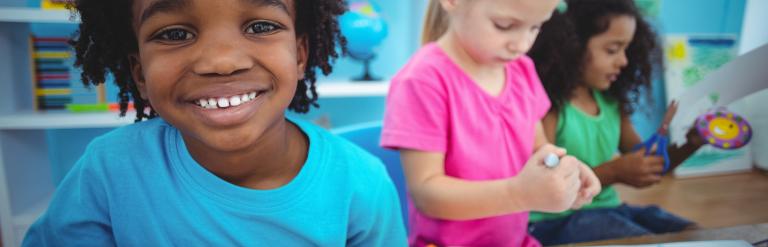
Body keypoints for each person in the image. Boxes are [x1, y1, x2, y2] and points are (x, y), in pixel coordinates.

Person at [22, 0, 407, 246]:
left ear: (300, 53)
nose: (222, 61)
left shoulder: (362, 184)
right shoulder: (108, 172)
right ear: (139, 72)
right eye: (175, 33)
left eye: (260, 26)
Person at [380, 0, 601, 246]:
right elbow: (427, 195)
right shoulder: (422, 81)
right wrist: (519, 194)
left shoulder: (522, 71)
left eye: (535, 27)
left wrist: (565, 172)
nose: (522, 45)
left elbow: (540, 150)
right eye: (504, 26)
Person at [527, 0, 706, 245]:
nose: (623, 61)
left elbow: (651, 165)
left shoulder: (612, 104)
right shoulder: (550, 107)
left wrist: (690, 144)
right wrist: (614, 172)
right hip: (554, 221)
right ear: (572, 46)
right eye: (612, 50)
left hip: (608, 210)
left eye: (626, 50)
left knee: (693, 233)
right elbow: (545, 183)